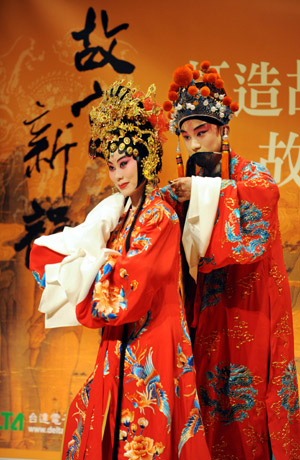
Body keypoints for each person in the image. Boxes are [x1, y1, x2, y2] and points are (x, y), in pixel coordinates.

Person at [29, 80, 211, 460]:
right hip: (121, 339)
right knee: (101, 420)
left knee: (143, 431)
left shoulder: (159, 215)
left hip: (152, 338)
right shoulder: (121, 213)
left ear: (143, 157)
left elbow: (131, 281)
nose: (117, 175)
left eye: (124, 163)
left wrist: (86, 268)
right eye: (111, 167)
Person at [162, 62, 300, 459]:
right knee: (206, 396)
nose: (193, 144)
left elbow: (263, 200)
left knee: (249, 403)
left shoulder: (250, 176)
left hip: (249, 309)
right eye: (186, 136)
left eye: (201, 132)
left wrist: (206, 193)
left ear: (223, 130)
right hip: (205, 312)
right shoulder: (185, 183)